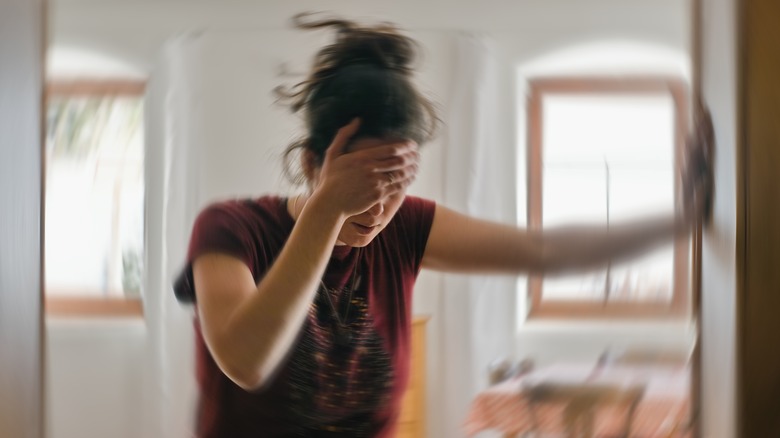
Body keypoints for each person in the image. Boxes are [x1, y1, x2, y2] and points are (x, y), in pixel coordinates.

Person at [173, 13, 713, 438]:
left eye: (394, 183)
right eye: (360, 182)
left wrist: (683, 219)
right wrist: (327, 209)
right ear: (313, 164)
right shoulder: (230, 229)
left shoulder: (406, 228)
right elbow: (246, 361)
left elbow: (545, 252)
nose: (376, 207)